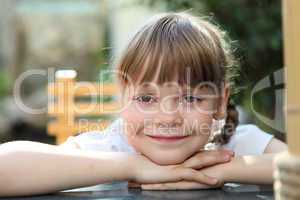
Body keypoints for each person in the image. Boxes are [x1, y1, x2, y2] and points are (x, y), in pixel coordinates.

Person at [0, 12, 286, 197]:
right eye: (147, 98)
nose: (167, 117)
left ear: (221, 102)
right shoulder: (112, 147)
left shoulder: (231, 144)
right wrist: (133, 166)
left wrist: (219, 171)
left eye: (190, 98)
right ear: (122, 98)